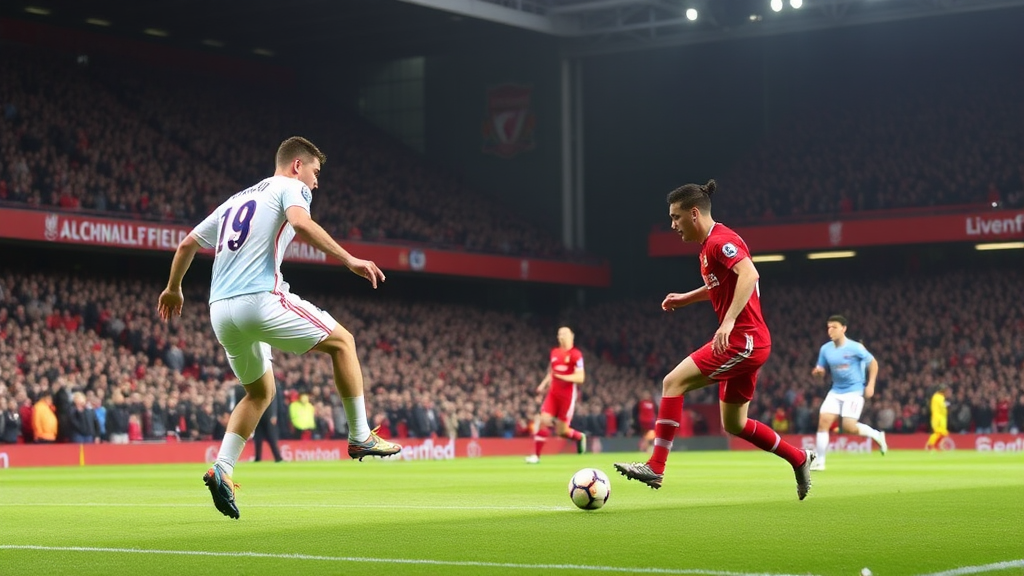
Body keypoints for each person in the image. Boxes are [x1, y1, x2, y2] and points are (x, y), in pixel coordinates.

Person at [158, 136, 402, 520]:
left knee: (259, 392)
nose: (316, 183)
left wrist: (174, 288)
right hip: (259, 300)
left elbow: (187, 243)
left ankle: (222, 468)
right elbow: (301, 225)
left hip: (220, 311)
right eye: (315, 173)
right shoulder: (291, 187)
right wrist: (350, 259)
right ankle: (360, 435)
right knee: (343, 342)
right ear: (296, 165)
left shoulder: (234, 201)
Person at [614, 179, 814, 500]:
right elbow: (719, 285)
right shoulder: (708, 246)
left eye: (676, 217)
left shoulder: (721, 242)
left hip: (742, 340)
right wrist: (685, 298)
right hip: (749, 342)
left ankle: (656, 466)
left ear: (694, 214)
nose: (673, 225)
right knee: (735, 424)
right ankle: (799, 459)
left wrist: (730, 320)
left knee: (672, 382)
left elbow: (749, 274)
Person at [809, 315, 888, 471]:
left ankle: (876, 435)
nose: (830, 330)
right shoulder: (825, 349)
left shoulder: (856, 348)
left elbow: (873, 363)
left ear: (843, 329)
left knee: (849, 427)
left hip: (854, 391)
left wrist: (871, 385)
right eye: (828, 327)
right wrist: (817, 374)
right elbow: (820, 372)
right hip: (836, 390)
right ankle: (820, 462)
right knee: (823, 421)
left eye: (834, 327)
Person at [525, 326, 587, 463]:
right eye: (559, 334)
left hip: (567, 396)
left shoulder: (576, 355)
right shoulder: (554, 352)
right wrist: (542, 384)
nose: (561, 336)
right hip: (553, 394)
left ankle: (578, 437)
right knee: (543, 420)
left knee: (561, 431)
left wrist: (563, 377)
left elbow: (580, 378)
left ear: (571, 335)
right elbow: (552, 372)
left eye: (564, 334)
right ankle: (536, 456)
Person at [926, 383, 949, 451]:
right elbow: (943, 407)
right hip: (938, 418)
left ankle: (935, 445)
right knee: (939, 433)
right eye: (945, 390)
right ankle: (931, 445)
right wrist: (948, 404)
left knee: (942, 433)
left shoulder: (936, 396)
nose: (946, 392)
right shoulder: (939, 397)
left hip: (939, 418)